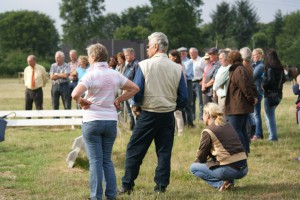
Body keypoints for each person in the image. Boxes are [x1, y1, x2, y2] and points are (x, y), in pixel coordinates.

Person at [118, 32, 187, 195]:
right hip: (168, 115)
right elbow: (183, 97)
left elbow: (137, 90)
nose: (147, 49)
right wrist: (172, 106)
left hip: (148, 113)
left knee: (134, 150)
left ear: (156, 46)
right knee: (164, 152)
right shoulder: (177, 68)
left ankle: (127, 185)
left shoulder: (144, 65)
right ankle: (161, 188)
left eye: (149, 46)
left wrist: (136, 106)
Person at [71, 43, 139, 200]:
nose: (88, 58)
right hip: (110, 121)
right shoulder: (114, 73)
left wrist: (82, 102)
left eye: (89, 56)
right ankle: (111, 195)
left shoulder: (90, 74)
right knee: (107, 160)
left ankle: (96, 197)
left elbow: (75, 94)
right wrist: (119, 99)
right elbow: (134, 88)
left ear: (93, 57)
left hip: (92, 121)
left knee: (95, 161)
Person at [190, 103, 248, 191]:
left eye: (203, 114)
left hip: (230, 170)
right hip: (244, 169)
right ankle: (229, 183)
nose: (202, 117)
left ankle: (220, 185)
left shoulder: (208, 131)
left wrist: (199, 162)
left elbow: (201, 156)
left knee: (193, 168)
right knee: (224, 159)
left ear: (208, 115)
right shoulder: (228, 125)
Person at [224, 50, 257, 154]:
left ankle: (241, 152)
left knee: (236, 130)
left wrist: (251, 99)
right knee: (241, 129)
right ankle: (245, 151)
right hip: (239, 105)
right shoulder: (239, 69)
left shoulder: (238, 70)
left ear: (230, 59)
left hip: (238, 106)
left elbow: (246, 88)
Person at [262, 48, 285, 141]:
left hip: (270, 94)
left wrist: (263, 85)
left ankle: (273, 137)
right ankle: (272, 135)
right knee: (270, 115)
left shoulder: (270, 68)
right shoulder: (280, 68)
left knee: (269, 116)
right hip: (279, 94)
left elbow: (270, 82)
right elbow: (284, 79)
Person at [169, 49, 187, 136]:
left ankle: (180, 132)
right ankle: (175, 131)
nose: (169, 58)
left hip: (178, 92)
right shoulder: (175, 66)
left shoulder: (179, 66)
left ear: (175, 57)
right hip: (173, 91)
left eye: (170, 57)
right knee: (174, 113)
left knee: (178, 113)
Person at [178, 47, 195, 128]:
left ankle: (190, 123)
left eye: (184, 52)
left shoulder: (189, 62)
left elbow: (186, 73)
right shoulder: (178, 62)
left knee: (188, 103)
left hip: (187, 82)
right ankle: (183, 122)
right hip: (180, 82)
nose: (182, 54)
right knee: (181, 103)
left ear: (187, 53)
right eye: (181, 53)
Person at [123, 48, 140, 130]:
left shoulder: (136, 65)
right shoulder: (127, 65)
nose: (126, 57)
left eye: (127, 55)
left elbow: (137, 79)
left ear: (133, 55)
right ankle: (132, 128)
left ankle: (137, 129)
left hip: (132, 92)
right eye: (125, 55)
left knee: (135, 112)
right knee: (129, 112)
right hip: (126, 91)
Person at [251, 48, 265, 140]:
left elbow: (251, 77)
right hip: (255, 91)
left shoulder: (260, 66)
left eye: (255, 54)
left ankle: (258, 134)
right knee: (254, 114)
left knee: (256, 114)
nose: (253, 56)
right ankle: (256, 132)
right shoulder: (255, 65)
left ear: (260, 55)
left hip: (257, 92)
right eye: (252, 55)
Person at [189, 47, 205, 121]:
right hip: (191, 82)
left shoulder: (201, 60)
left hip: (199, 82)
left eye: (192, 53)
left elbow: (206, 71)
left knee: (200, 101)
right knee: (192, 101)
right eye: (190, 53)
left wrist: (203, 80)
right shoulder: (189, 61)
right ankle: (192, 117)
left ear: (196, 53)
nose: (191, 54)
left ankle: (201, 117)